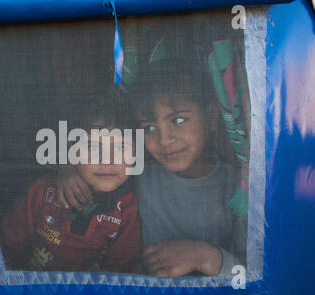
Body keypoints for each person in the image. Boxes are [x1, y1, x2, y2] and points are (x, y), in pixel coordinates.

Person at [56, 56, 248, 277]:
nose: (164, 140)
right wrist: (67, 165)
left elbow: (256, 277)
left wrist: (205, 256)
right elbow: (93, 163)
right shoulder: (139, 172)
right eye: (148, 127)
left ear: (212, 115)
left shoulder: (240, 188)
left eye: (177, 120)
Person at [0, 97, 142, 273]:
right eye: (92, 146)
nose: (107, 160)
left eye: (121, 148)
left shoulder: (128, 207)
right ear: (71, 149)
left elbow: (123, 271)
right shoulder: (43, 190)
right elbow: (6, 248)